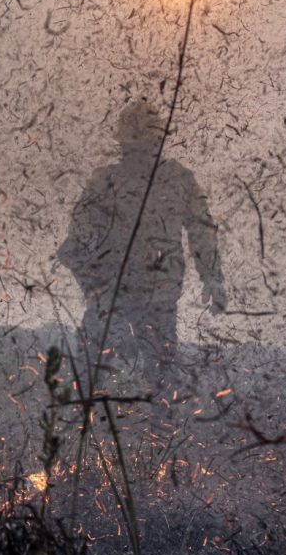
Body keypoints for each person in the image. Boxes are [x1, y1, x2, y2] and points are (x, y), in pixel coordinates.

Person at [58, 100, 226, 391]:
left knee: (160, 382)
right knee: (90, 380)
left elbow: (202, 230)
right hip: (115, 300)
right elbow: (75, 245)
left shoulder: (177, 179)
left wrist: (212, 277)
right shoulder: (108, 180)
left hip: (150, 300)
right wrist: (97, 292)